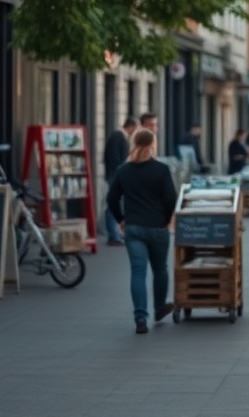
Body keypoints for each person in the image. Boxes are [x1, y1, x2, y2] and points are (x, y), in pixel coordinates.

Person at [105, 128, 177, 334]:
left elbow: (111, 199)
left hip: (134, 228)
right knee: (160, 269)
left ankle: (140, 319)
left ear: (134, 144)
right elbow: (170, 198)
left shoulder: (124, 170)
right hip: (157, 227)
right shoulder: (162, 170)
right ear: (152, 144)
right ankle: (160, 307)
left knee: (138, 272)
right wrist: (165, 219)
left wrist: (121, 220)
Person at [102, 117, 137, 245]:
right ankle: (113, 235)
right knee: (113, 204)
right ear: (131, 126)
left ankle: (115, 233)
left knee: (116, 204)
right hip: (115, 176)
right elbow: (114, 158)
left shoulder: (121, 137)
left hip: (117, 175)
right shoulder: (118, 136)